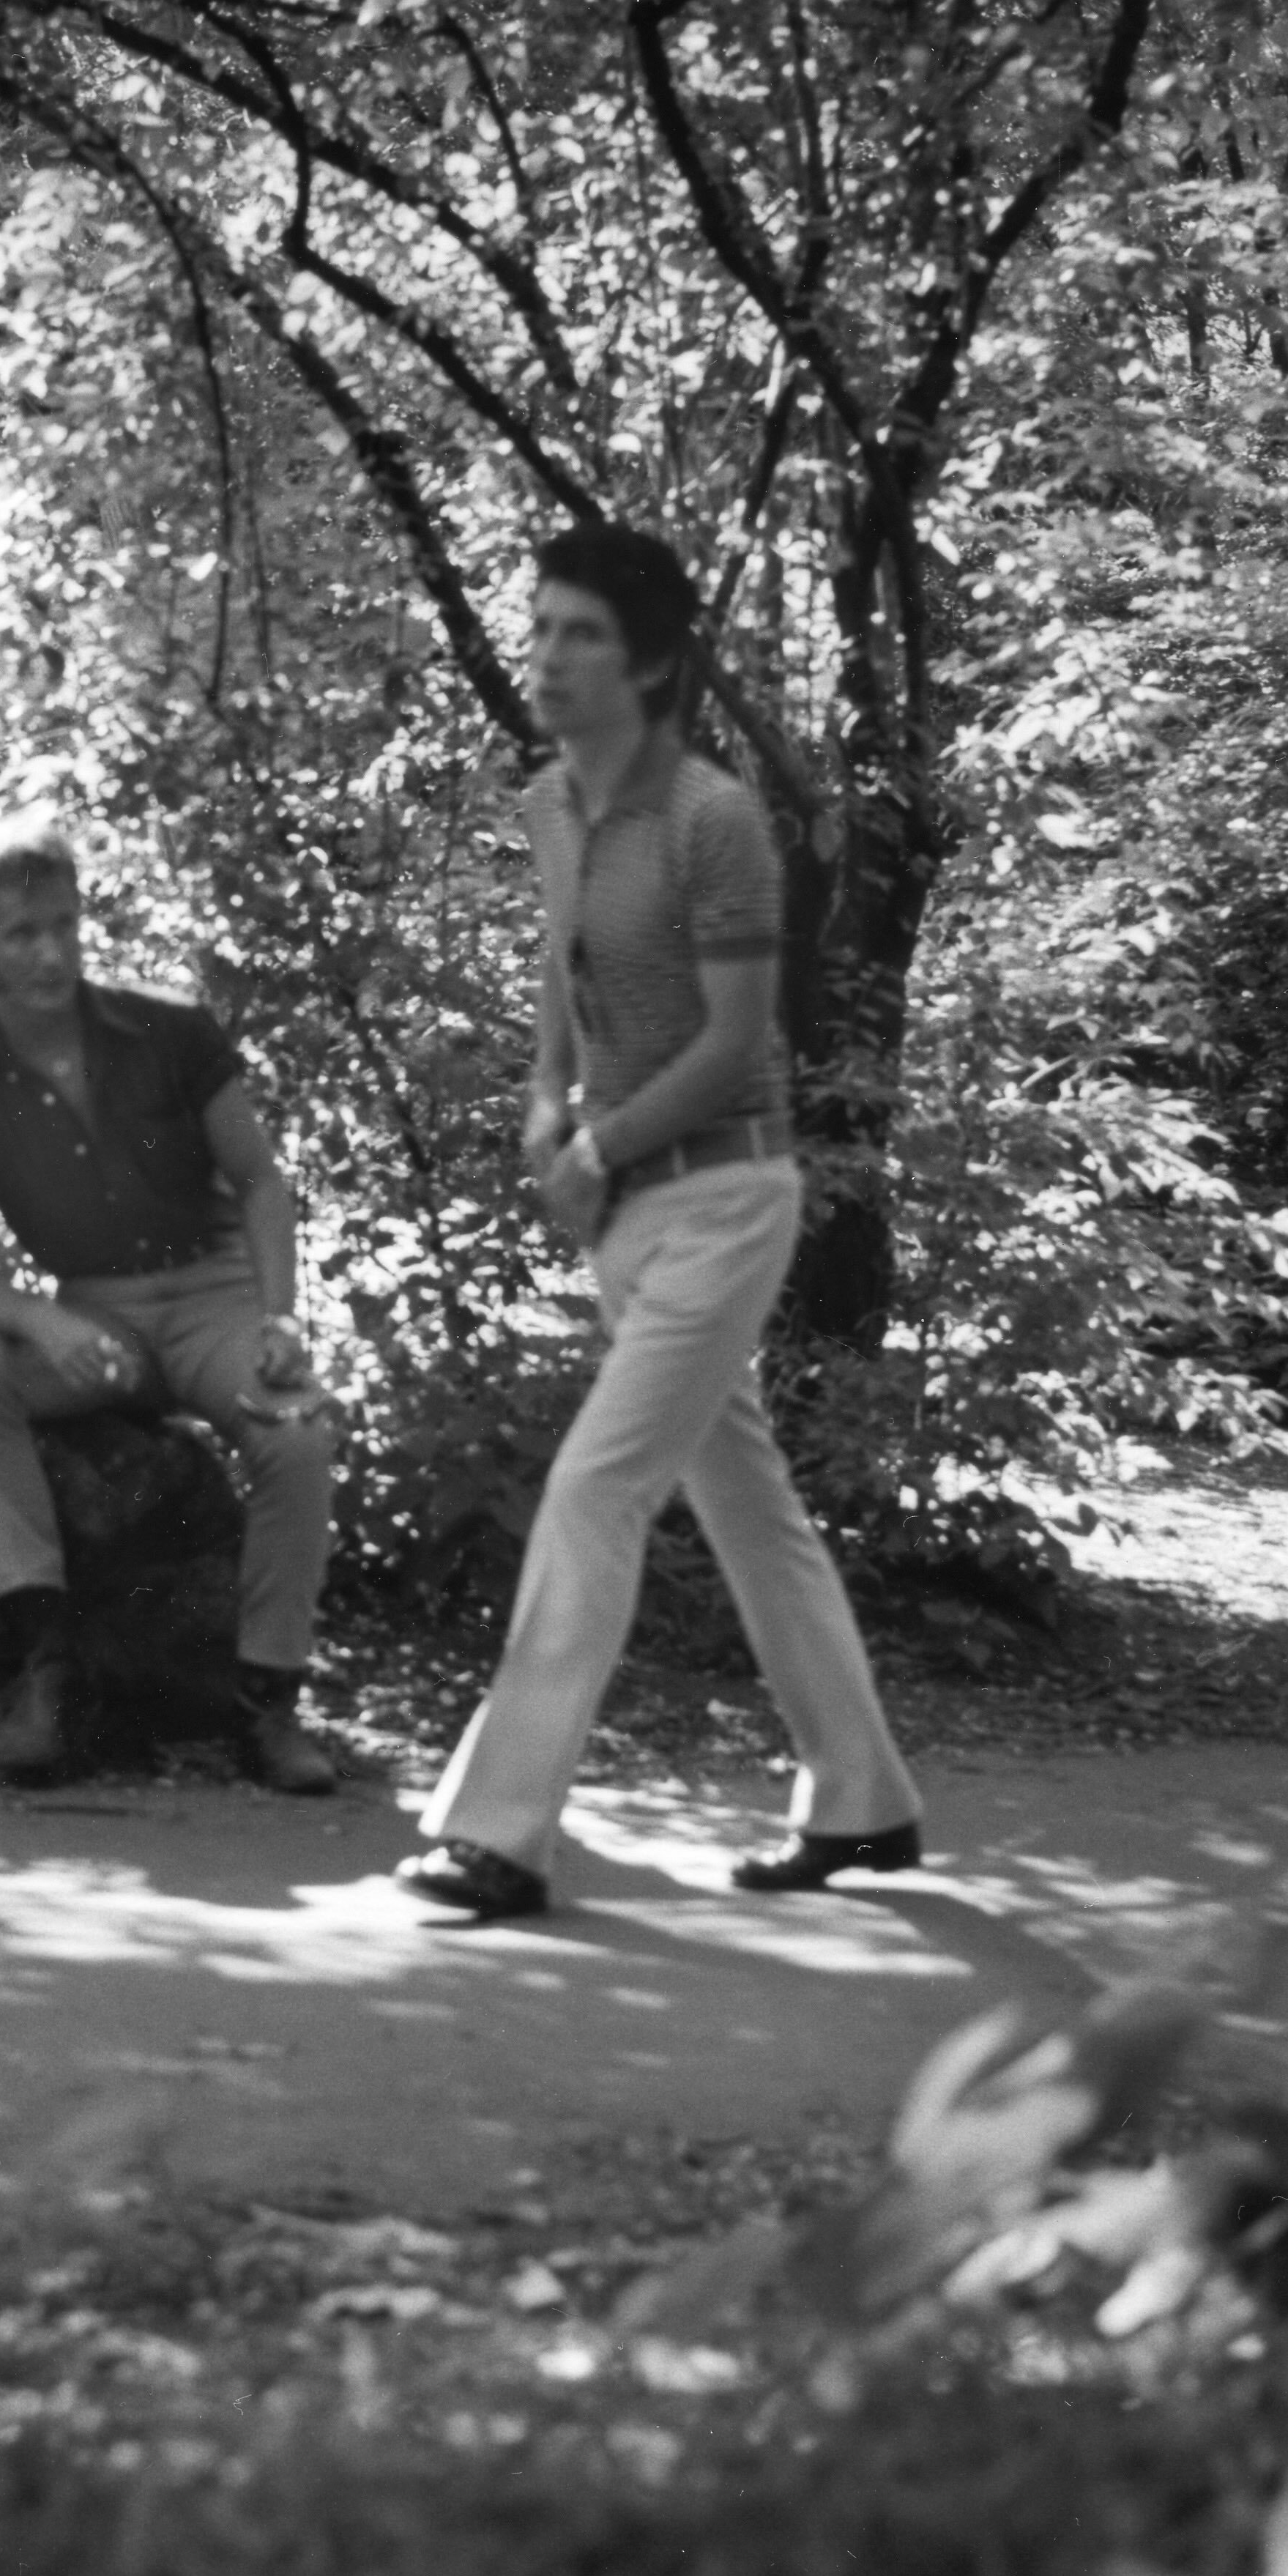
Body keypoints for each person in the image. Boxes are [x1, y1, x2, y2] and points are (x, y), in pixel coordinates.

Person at [398, 523, 928, 1926]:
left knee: (593, 1487)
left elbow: (739, 1040)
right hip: (626, 1214)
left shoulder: (714, 820)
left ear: (645, 664)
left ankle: (498, 1833)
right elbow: (563, 984)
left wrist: (600, 1143)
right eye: (540, 627)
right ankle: (862, 1799)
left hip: (727, 1200)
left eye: (580, 633)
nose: (547, 655)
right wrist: (544, 1106)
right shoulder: (550, 805)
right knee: (751, 1511)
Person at [0, 806, 341, 1794]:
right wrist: (41, 1319)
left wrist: (280, 1318)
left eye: (63, 924)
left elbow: (260, 1182)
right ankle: (43, 1665)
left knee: (299, 1429)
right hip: (97, 1317)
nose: (50, 951)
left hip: (216, 1297)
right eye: (21, 933)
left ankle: (266, 1702)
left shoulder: (168, 1031)